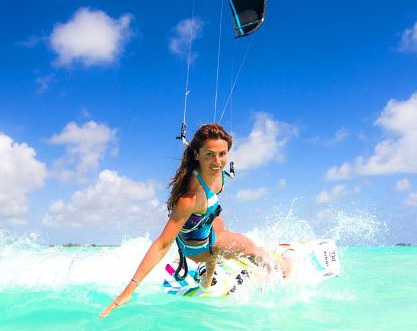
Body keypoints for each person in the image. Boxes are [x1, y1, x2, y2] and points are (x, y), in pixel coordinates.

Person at [99, 123, 291, 318]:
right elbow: (162, 244)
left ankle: (207, 281)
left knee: (220, 223)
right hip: (196, 249)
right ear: (197, 155)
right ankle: (281, 269)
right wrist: (128, 291)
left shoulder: (219, 174)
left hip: (199, 232)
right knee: (249, 246)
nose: (217, 161)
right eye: (209, 154)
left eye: (222, 154)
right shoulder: (189, 198)